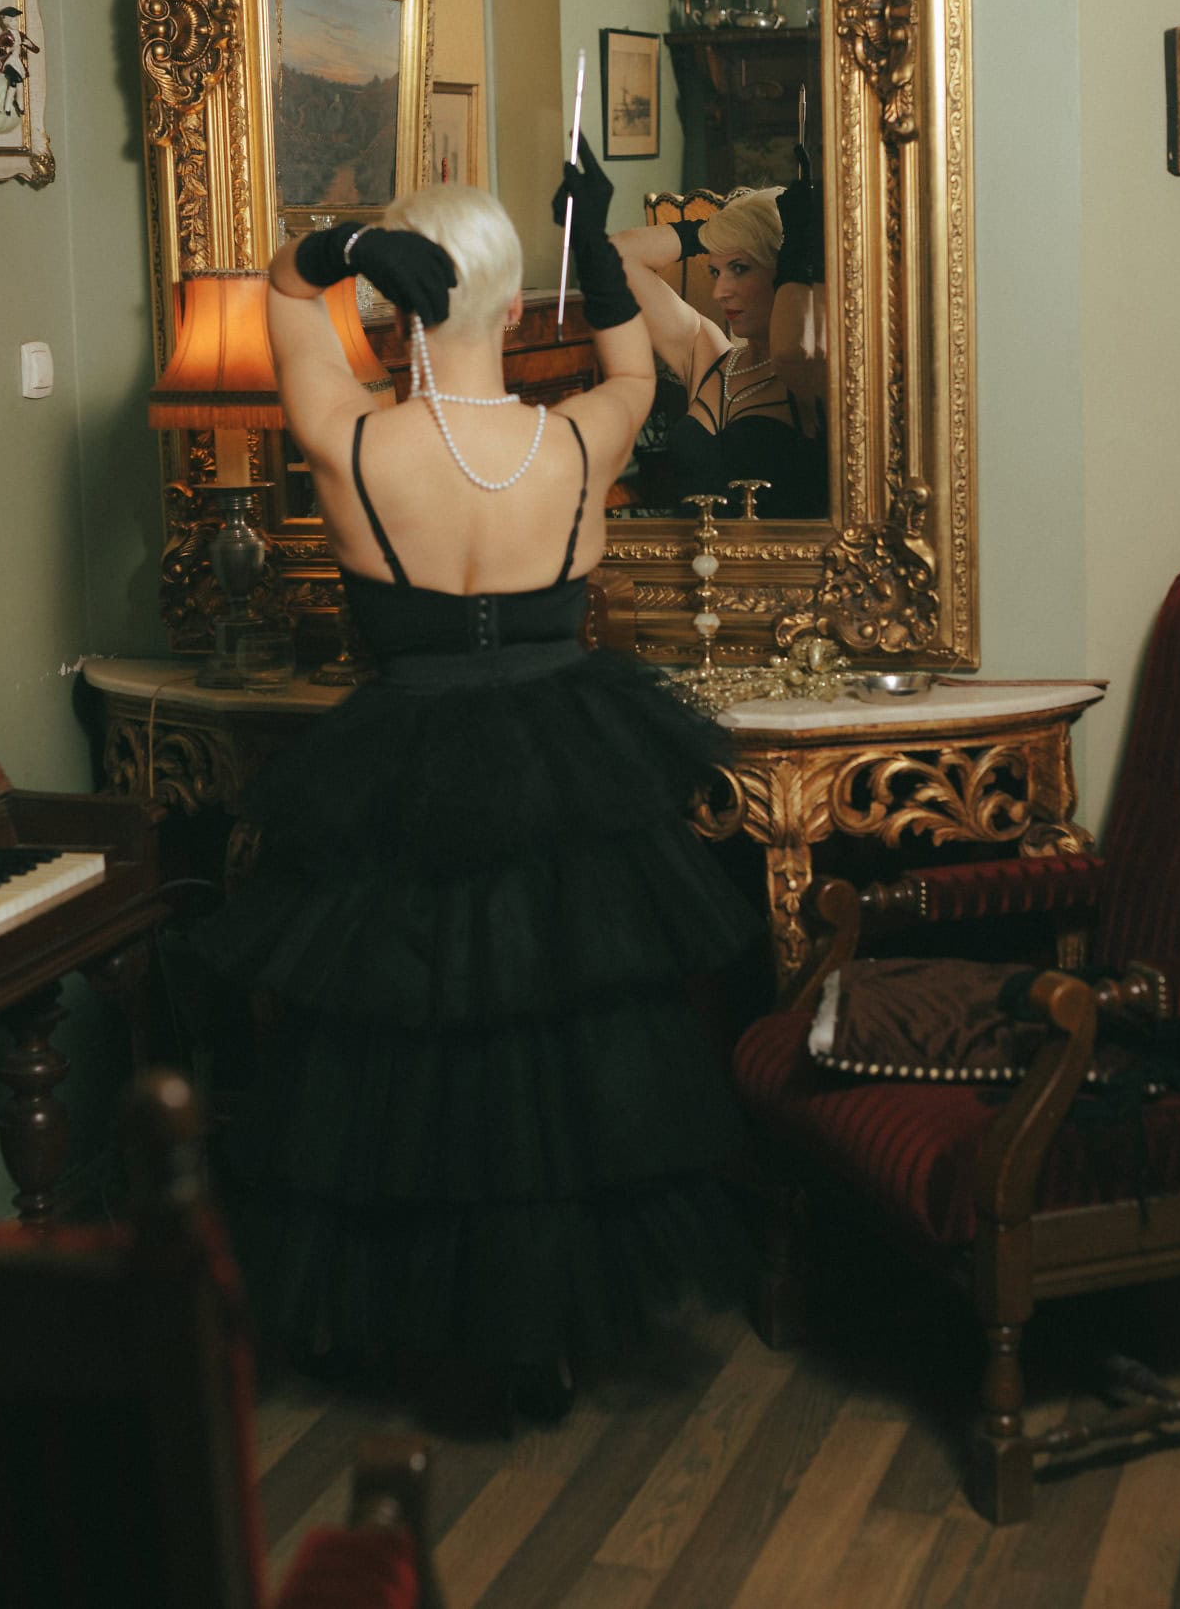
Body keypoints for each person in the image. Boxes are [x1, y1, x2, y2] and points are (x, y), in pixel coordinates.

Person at [196, 158, 763, 1427]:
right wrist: (600, 255)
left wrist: (342, 248)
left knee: (406, 1047)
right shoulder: (572, 443)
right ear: (515, 311)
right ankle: (537, 1336)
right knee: (552, 1046)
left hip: (404, 760)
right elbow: (637, 371)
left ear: (399, 309)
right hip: (568, 756)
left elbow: (280, 295)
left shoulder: (351, 440)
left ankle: (407, 1315)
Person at [610, 149, 829, 519]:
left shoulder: (808, 372)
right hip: (691, 568)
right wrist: (717, 233)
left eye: (740, 268)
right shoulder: (711, 358)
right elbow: (616, 255)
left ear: (782, 268)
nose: (720, 292)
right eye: (716, 271)